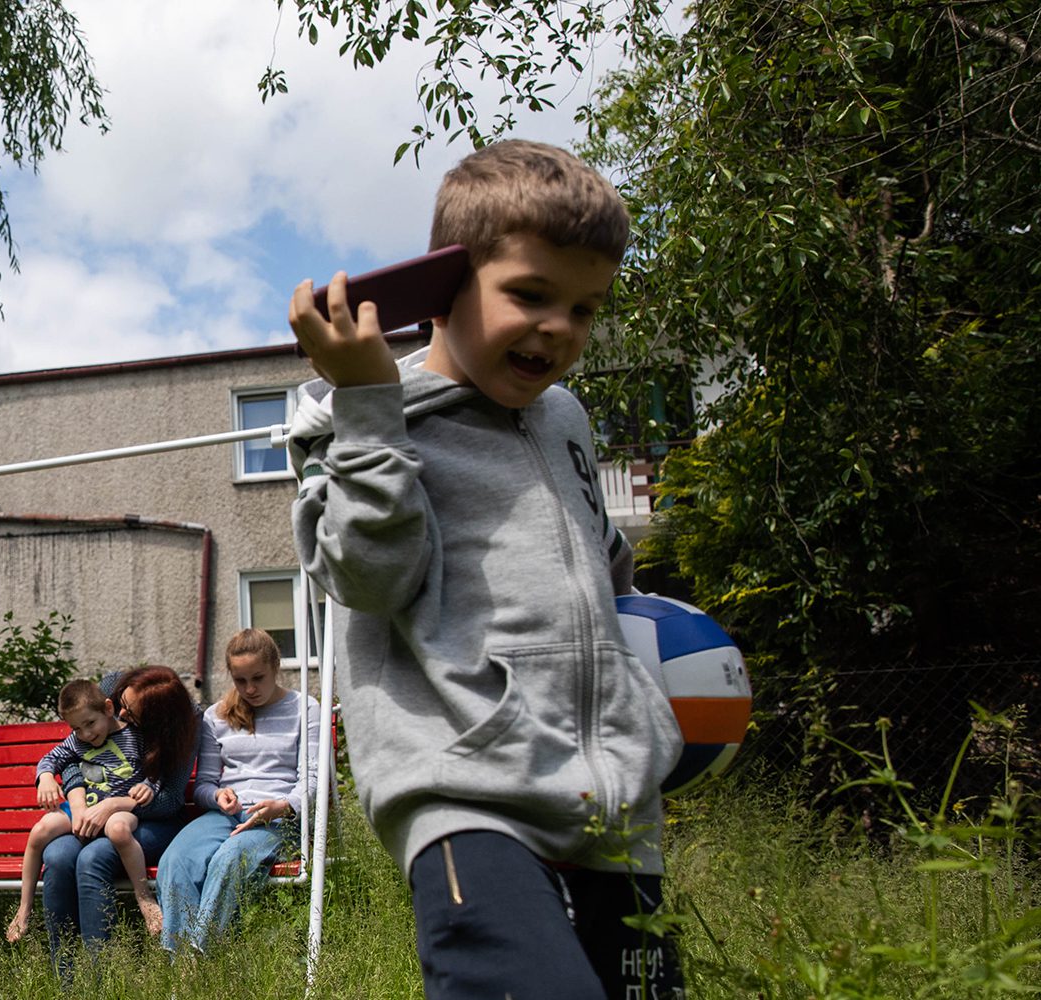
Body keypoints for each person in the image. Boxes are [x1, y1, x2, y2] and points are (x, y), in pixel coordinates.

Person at [286, 139, 687, 999]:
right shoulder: (350, 417)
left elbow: (594, 556)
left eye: (585, 308)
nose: (561, 329)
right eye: (531, 295)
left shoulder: (564, 416)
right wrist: (366, 407)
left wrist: (650, 654)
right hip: (467, 788)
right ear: (444, 285)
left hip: (611, 795)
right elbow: (366, 578)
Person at [156, 628, 319, 954]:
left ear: (276, 666)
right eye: (240, 680)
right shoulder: (217, 715)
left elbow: (313, 780)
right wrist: (217, 796)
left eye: (258, 677)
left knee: (230, 860)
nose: (250, 689)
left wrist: (285, 806)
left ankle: (196, 966)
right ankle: (179, 959)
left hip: (276, 817)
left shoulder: (304, 708)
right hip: (227, 814)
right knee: (175, 860)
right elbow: (203, 785)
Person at [37, 665, 199, 969]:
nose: (122, 715)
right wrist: (78, 799)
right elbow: (76, 756)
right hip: (96, 810)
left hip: (153, 819)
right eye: (122, 705)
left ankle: (102, 976)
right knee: (57, 856)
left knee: (93, 858)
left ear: (154, 723)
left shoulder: (185, 723)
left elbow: (168, 800)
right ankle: (67, 977)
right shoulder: (115, 687)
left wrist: (115, 804)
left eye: (132, 715)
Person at [7, 679, 162, 943]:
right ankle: (24, 908)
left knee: (118, 830)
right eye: (77, 728)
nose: (86, 734)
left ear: (108, 708)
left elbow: (158, 769)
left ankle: (144, 898)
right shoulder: (77, 742)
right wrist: (45, 777)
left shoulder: (134, 736)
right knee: (40, 830)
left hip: (118, 808)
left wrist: (149, 785)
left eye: (90, 723)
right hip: (83, 810)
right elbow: (50, 759)